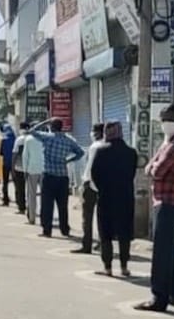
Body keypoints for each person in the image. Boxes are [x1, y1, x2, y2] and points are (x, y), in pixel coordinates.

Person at [135, 104, 174, 312]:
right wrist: (152, 166)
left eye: (165, 119)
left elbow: (155, 171)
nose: (163, 122)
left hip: (167, 203)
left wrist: (152, 166)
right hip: (167, 202)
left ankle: (159, 297)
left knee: (162, 253)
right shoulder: (169, 142)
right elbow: (151, 165)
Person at [90, 121, 136, 277]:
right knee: (124, 233)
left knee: (106, 233)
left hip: (106, 197)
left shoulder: (101, 151)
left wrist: (102, 188)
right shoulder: (131, 152)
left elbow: (94, 174)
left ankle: (108, 267)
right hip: (125, 197)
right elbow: (132, 174)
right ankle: (124, 267)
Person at [29, 118, 84, 238]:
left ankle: (47, 230)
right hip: (63, 177)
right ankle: (65, 229)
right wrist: (69, 160)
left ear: (52, 127)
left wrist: (44, 122)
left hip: (49, 175)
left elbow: (31, 131)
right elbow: (80, 152)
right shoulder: (68, 140)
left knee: (47, 205)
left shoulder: (48, 137)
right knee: (63, 205)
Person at [72, 123, 105, 255]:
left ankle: (87, 245)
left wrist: (86, 184)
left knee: (87, 217)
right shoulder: (109, 146)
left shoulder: (95, 146)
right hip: (105, 187)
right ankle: (103, 243)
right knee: (103, 217)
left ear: (96, 133)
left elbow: (90, 168)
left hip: (90, 185)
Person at [22, 121, 45, 226]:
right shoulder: (45, 138)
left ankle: (32, 218)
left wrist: (25, 170)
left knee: (32, 195)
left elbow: (25, 156)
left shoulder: (29, 139)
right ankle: (45, 218)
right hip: (44, 170)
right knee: (45, 196)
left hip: (32, 170)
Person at [12, 122, 30, 215]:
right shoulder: (33, 139)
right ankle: (31, 207)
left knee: (20, 189)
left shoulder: (19, 140)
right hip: (31, 168)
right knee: (31, 189)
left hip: (19, 168)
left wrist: (12, 167)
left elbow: (14, 154)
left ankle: (21, 208)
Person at [0, 123, 16, 207]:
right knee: (16, 183)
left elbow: (1, 153)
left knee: (5, 182)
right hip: (14, 164)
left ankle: (5, 200)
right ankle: (19, 201)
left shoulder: (4, 139)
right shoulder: (15, 138)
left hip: (5, 163)